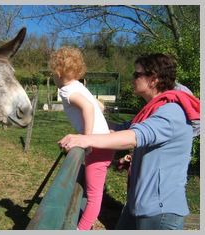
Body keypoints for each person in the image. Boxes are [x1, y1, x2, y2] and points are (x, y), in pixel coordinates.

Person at [58, 53, 200, 230]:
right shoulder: (151, 111)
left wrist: (85, 138)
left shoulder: (171, 112)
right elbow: (122, 128)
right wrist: (92, 124)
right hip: (137, 205)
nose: (132, 78)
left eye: (137, 74)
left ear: (153, 79)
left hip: (159, 213)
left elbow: (133, 137)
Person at [49, 47, 114, 230]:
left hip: (97, 145)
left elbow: (88, 108)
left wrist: (86, 138)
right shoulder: (79, 85)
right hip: (106, 142)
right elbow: (99, 106)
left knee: (94, 195)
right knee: (94, 189)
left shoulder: (66, 91)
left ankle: (81, 229)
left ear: (58, 72)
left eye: (52, 74)